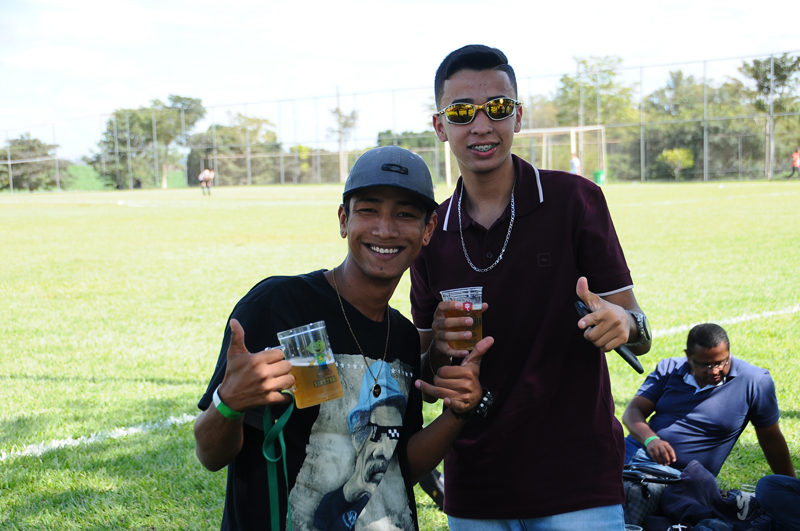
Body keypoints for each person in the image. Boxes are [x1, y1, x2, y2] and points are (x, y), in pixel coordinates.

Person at [410, 44, 652, 529]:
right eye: (461, 112)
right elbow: (427, 376)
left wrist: (624, 323)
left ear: (517, 117)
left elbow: (640, 331)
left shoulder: (575, 200)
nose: (481, 125)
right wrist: (437, 350)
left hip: (577, 480)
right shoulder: (431, 230)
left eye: (497, 108)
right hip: (476, 486)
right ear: (440, 126)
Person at [194, 146, 492, 530]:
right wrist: (228, 403)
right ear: (343, 220)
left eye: (404, 214)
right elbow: (211, 455)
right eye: (368, 210)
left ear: (428, 230)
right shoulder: (279, 306)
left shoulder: (402, 336)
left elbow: (399, 467)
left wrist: (458, 412)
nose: (385, 229)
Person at [622, 323, 795, 479]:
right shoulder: (670, 368)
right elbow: (633, 412)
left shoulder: (754, 381)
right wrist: (651, 440)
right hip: (634, 453)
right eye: (705, 365)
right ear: (688, 356)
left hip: (681, 477)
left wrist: (791, 486)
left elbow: (771, 438)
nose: (714, 371)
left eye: (721, 362)